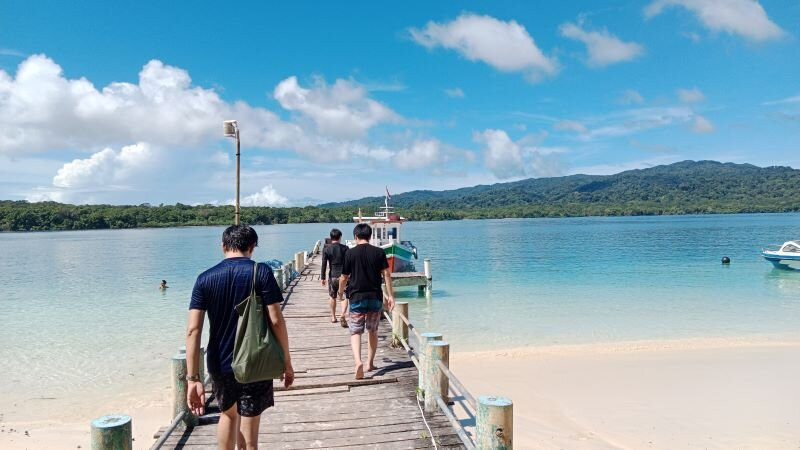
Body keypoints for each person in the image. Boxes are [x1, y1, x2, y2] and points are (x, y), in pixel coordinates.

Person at [185, 224, 294, 450]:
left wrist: (193, 378)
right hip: (256, 359)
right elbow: (276, 320)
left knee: (229, 415)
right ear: (252, 247)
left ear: (223, 246)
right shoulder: (261, 272)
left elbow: (193, 331)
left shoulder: (204, 279)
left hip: (220, 361)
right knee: (250, 424)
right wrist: (286, 360)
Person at [338, 223, 395, 380]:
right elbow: (386, 274)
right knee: (373, 330)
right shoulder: (379, 252)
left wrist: (340, 292)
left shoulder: (350, 253)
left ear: (356, 236)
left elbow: (343, 277)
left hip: (356, 297)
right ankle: (370, 363)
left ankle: (358, 362)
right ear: (370, 236)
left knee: (355, 331)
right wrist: (391, 296)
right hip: (375, 297)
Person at [321, 228, 348, 323]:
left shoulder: (326, 249)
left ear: (331, 237)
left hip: (332, 276)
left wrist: (322, 277)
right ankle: (343, 315)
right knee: (343, 297)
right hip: (343, 276)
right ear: (340, 237)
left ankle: (333, 317)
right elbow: (349, 263)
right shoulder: (345, 248)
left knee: (332, 296)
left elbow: (324, 264)